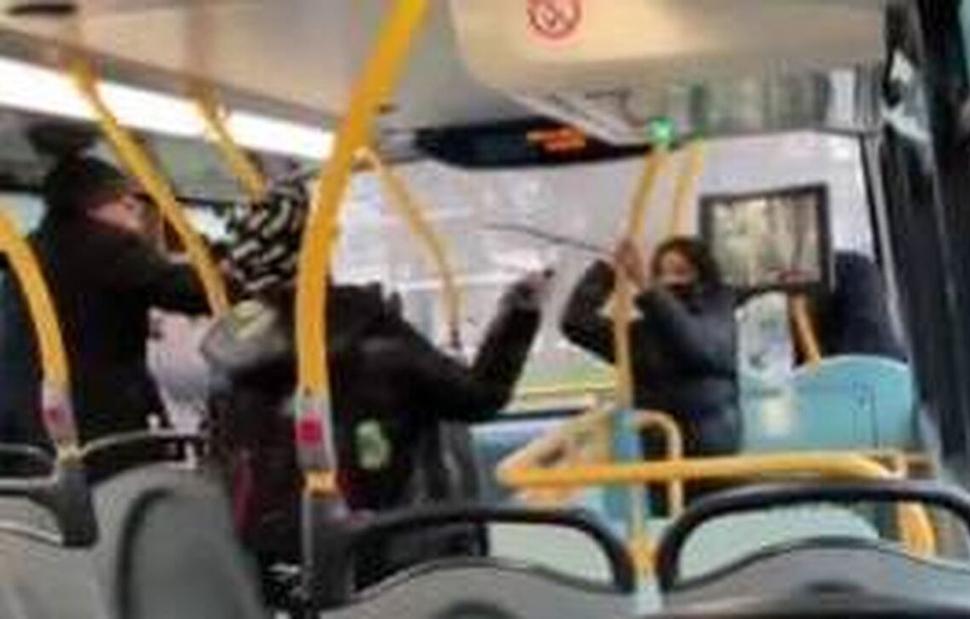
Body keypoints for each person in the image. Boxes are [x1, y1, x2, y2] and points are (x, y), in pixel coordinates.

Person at [201, 183, 547, 597]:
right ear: (318, 247)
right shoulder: (375, 338)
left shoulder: (231, 354)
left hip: (274, 556)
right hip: (395, 547)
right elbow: (480, 397)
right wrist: (519, 313)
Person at [0, 156, 209, 455]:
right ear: (95, 206)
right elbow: (194, 292)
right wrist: (240, 275)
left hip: (22, 425)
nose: (135, 212)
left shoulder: (30, 248)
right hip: (93, 425)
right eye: (125, 203)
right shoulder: (107, 245)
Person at [562, 236, 740, 466]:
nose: (669, 280)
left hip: (712, 458)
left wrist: (647, 288)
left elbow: (699, 348)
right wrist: (608, 271)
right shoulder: (644, 335)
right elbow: (576, 323)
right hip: (659, 457)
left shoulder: (718, 313)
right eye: (661, 274)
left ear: (704, 278)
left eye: (681, 272)